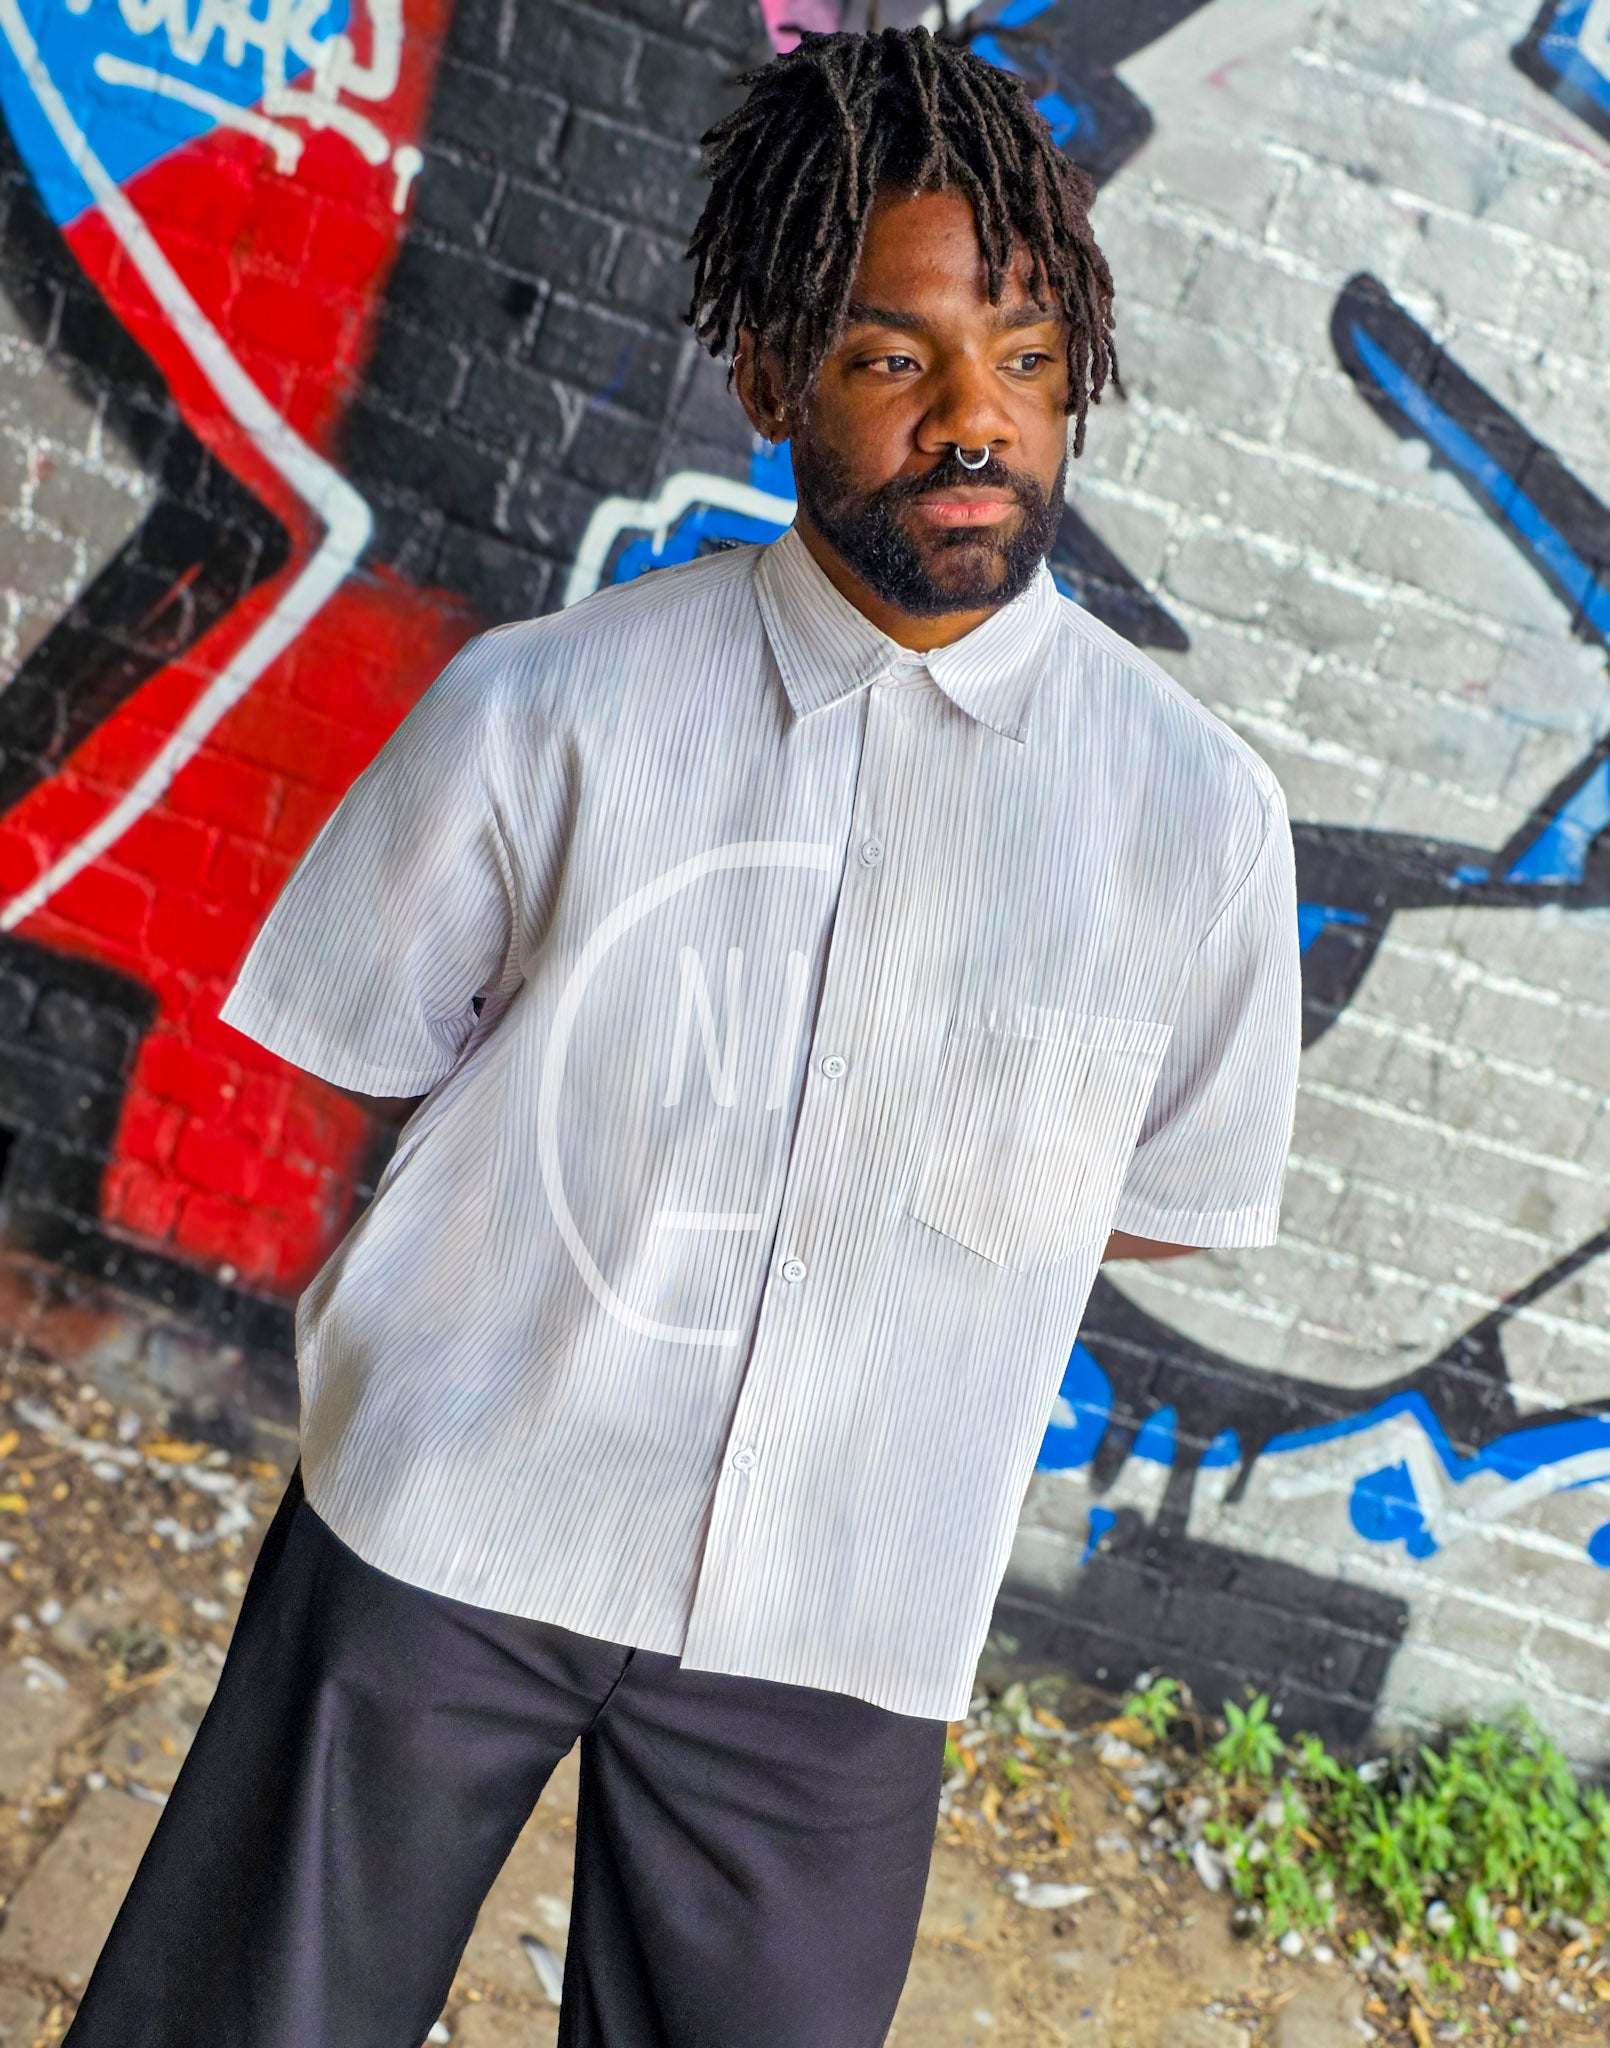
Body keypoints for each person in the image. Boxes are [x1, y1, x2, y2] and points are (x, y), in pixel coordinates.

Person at [64, 26, 1301, 2048]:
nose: (975, 421)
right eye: (894, 358)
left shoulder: (1194, 820)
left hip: (842, 1612)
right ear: (769, 376)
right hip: (453, 1518)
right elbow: (372, 1028)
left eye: (1025, 358)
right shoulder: (548, 707)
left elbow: (1153, 1196)